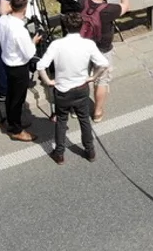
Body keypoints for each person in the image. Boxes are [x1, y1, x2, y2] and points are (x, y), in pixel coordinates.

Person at [36, 11, 108, 164]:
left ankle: (60, 153)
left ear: (65, 27)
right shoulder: (88, 44)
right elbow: (103, 63)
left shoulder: (57, 44)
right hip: (81, 88)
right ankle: (90, 151)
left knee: (61, 121)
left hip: (62, 90)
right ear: (81, 27)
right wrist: (93, 77)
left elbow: (40, 65)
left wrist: (49, 81)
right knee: (84, 120)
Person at [81, 0, 129, 120]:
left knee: (81, 77)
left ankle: (77, 109)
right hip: (102, 48)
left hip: (83, 46)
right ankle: (97, 112)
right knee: (101, 80)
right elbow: (126, 5)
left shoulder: (82, 2)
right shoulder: (109, 9)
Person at [0, 0, 38, 142]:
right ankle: (16, 128)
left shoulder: (2, 20)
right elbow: (28, 53)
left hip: (7, 61)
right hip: (19, 66)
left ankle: (12, 120)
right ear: (25, 9)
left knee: (11, 95)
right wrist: (34, 42)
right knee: (18, 98)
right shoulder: (20, 30)